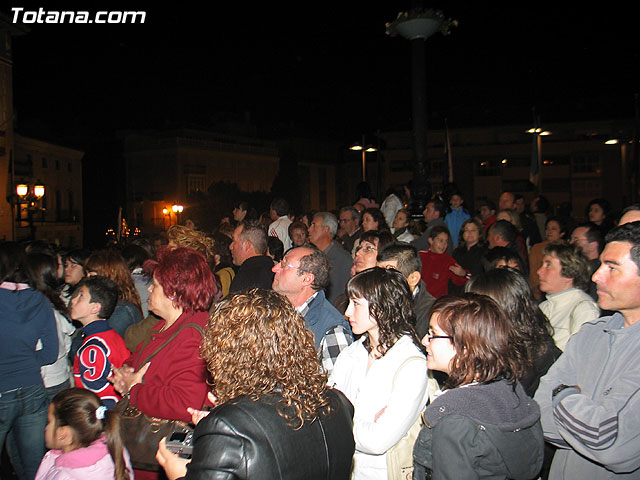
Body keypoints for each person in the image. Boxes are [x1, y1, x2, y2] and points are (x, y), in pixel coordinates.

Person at [156, 289, 356, 480]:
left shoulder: (228, 426)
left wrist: (179, 474)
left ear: (226, 355)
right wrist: (224, 422)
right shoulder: (339, 403)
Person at [534, 221, 640, 478]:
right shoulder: (592, 332)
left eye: (612, 268)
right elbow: (539, 415)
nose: (596, 276)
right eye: (601, 264)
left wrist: (562, 393)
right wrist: (582, 413)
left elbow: (609, 442)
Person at [111, 246, 217, 476]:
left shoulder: (193, 335)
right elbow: (139, 359)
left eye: (156, 285)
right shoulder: (165, 324)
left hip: (163, 454)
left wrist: (134, 390)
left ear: (173, 293)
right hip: (148, 450)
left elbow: (184, 403)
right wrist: (125, 372)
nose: (148, 288)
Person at [413, 294, 544, 480]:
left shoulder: (455, 422)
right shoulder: (510, 393)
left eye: (433, 334)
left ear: (465, 346)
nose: (424, 341)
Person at [329, 267, 429, 479]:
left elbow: (377, 441)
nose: (347, 312)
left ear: (382, 308)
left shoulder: (411, 364)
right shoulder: (351, 353)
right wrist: (360, 421)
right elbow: (325, 408)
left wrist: (338, 419)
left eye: (356, 304)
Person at [0, 242, 58, 480]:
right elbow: (50, 354)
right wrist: (27, 361)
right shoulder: (41, 300)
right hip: (33, 388)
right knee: (35, 465)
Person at [271, 246, 353, 375]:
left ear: (307, 279)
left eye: (284, 264)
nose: (275, 268)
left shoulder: (332, 331)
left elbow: (336, 392)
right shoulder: (275, 312)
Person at [36, 387, 132, 480]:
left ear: (63, 434)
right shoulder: (115, 449)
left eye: (49, 422)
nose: (46, 427)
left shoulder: (64, 476)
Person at [23, 252, 75, 401]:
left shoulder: (39, 308)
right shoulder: (54, 303)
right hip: (61, 377)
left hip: (45, 382)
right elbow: (65, 344)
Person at [71, 276, 130, 408]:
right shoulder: (111, 335)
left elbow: (97, 394)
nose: (73, 300)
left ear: (95, 308)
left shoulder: (93, 345)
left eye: (81, 296)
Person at [537, 243, 600, 350]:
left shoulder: (584, 308)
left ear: (569, 274)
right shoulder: (543, 307)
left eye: (548, 265)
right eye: (542, 265)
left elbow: (579, 356)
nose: (539, 271)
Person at [376, 242, 435, 338]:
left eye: (390, 275)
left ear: (413, 278)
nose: (380, 282)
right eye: (377, 274)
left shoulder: (430, 312)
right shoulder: (374, 301)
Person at [85, 249, 143, 339]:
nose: (87, 280)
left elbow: (99, 342)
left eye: (92, 276)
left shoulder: (121, 311)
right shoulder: (108, 304)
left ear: (108, 276)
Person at [308, 212, 353, 303]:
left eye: (314, 225)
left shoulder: (341, 259)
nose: (309, 229)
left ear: (326, 229)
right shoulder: (313, 254)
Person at [419, 226, 468, 298]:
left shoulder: (448, 260)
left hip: (437, 301)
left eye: (446, 241)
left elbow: (461, 280)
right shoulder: (420, 256)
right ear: (431, 241)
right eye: (441, 241)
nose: (444, 245)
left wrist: (463, 274)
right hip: (419, 299)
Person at [228, 219, 275, 294]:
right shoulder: (275, 275)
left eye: (234, 241)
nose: (230, 246)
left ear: (247, 245)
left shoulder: (243, 281)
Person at [529, 216, 568, 299]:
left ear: (562, 233)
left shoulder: (567, 250)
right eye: (547, 228)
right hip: (540, 293)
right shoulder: (537, 248)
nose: (549, 232)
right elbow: (533, 274)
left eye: (553, 229)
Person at [452, 217, 488, 288]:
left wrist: (465, 274)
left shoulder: (485, 252)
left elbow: (484, 276)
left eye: (473, 230)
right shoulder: (457, 252)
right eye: (466, 230)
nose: (470, 233)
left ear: (479, 233)